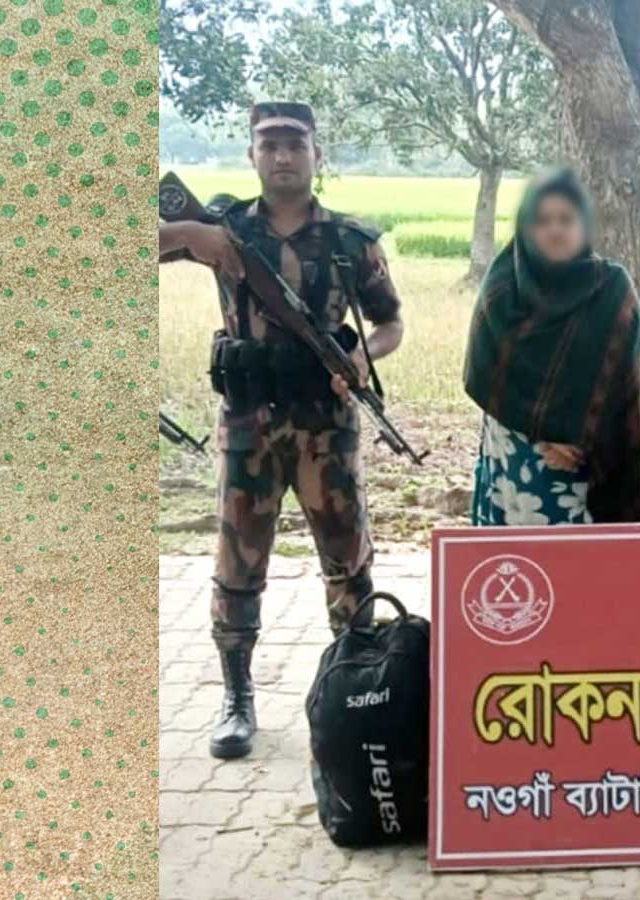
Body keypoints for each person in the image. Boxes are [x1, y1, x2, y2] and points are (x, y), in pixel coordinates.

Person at [157, 102, 404, 760]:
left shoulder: (351, 241)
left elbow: (390, 323)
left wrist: (362, 358)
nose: (283, 156)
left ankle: (352, 692)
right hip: (248, 424)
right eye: (269, 145)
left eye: (295, 144)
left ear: (317, 154)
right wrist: (189, 231)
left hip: (327, 427)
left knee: (348, 563)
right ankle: (237, 699)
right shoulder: (226, 228)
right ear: (252, 156)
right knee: (238, 564)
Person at [463, 168, 640, 525]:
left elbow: (627, 386)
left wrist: (581, 438)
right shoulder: (502, 287)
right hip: (514, 456)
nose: (555, 230)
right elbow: (487, 370)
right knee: (516, 557)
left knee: (579, 557)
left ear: (584, 225)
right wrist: (543, 431)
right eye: (542, 221)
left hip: (587, 463)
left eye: (566, 219)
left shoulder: (613, 289)